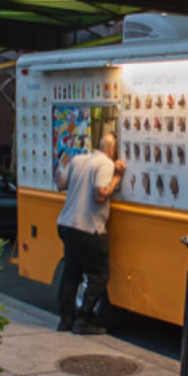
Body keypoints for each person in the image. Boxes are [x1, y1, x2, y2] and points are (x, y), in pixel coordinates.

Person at [55, 131, 126, 335]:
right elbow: (100, 194)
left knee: (72, 272)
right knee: (99, 274)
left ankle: (66, 319)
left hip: (66, 224)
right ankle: (85, 317)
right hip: (88, 226)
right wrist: (117, 178)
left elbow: (61, 184)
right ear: (111, 149)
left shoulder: (78, 159)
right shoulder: (106, 164)